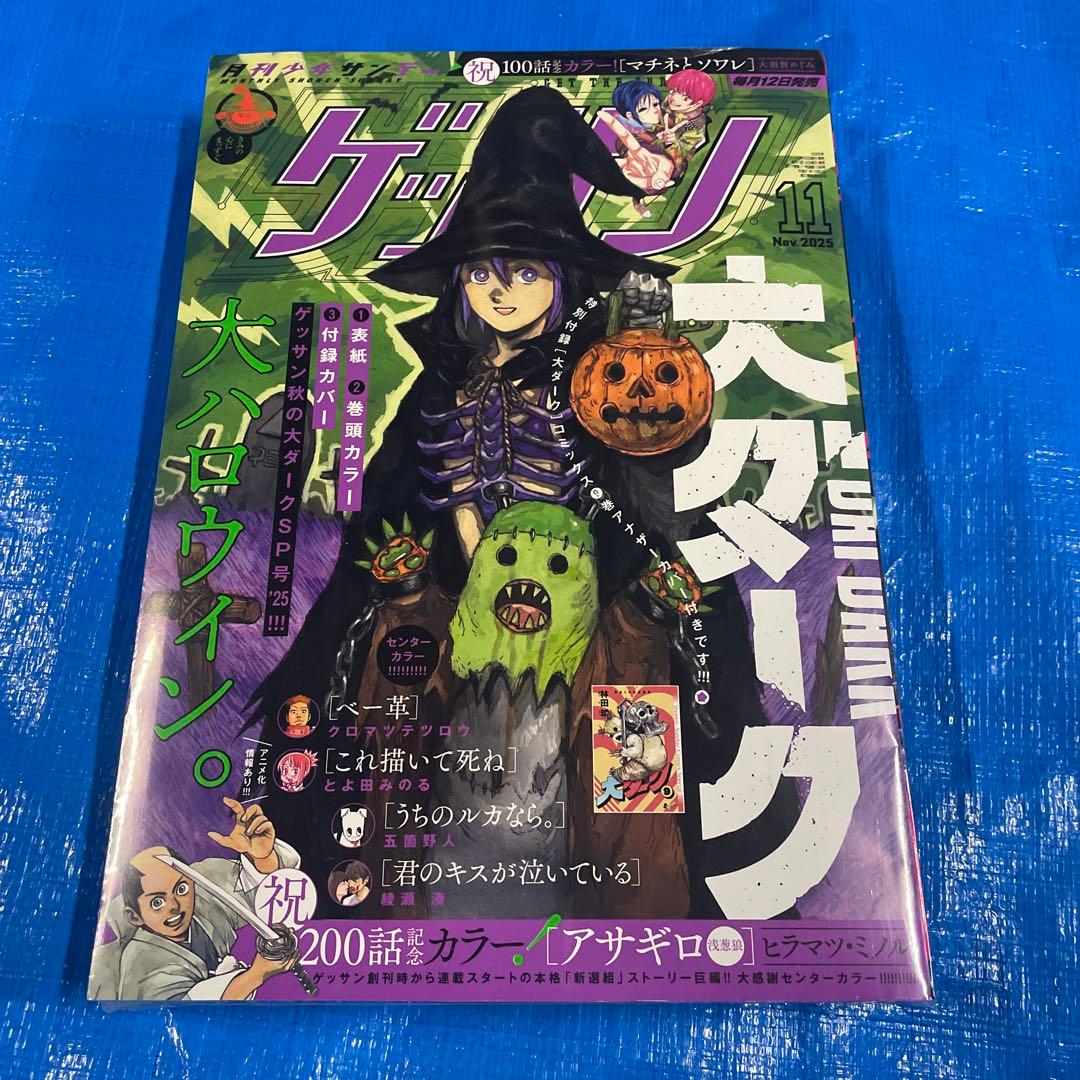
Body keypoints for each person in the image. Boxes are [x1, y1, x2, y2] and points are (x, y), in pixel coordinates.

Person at [89, 798, 301, 1001]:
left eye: (181, 889)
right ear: (134, 916)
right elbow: (185, 1007)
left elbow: (257, 891)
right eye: (157, 902)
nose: (174, 906)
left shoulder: (204, 887)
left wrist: (262, 857)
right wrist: (256, 975)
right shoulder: (140, 964)